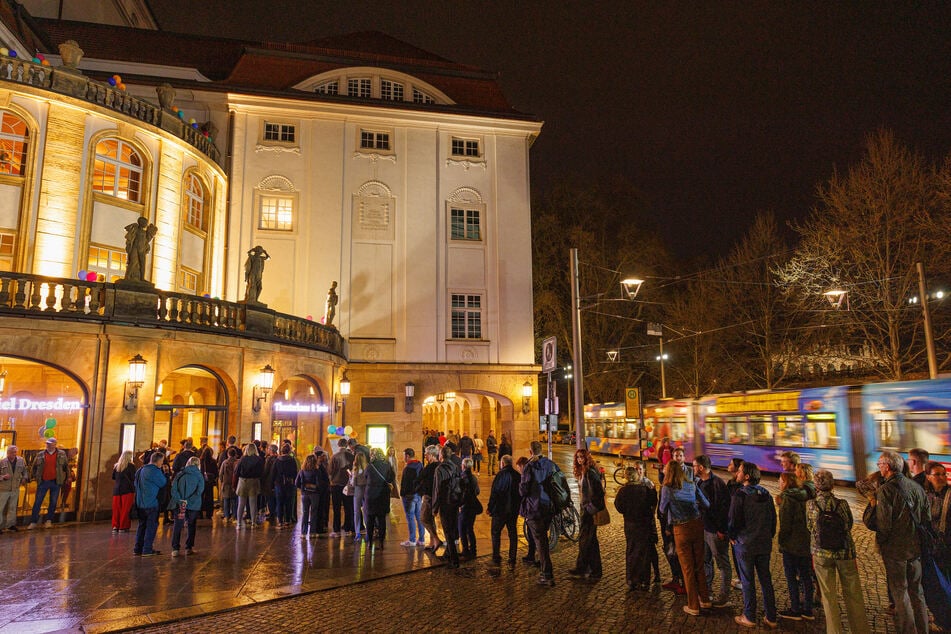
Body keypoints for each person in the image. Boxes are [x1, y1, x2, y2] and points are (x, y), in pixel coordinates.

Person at [863, 450, 929, 634]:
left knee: (900, 592)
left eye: (879, 465)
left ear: (887, 466)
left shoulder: (886, 490)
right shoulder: (916, 487)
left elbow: (884, 524)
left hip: (895, 550)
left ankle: (908, 630)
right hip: (915, 549)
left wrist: (882, 544)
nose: (879, 468)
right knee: (917, 592)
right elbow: (926, 518)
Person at [808, 469, 869, 634]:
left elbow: (810, 528)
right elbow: (848, 525)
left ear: (816, 486)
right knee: (854, 593)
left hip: (821, 555)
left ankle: (834, 631)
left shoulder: (811, 505)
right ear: (832, 485)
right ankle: (861, 630)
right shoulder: (842, 504)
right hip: (845, 553)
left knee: (828, 597)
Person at [660, 451, 710, 616]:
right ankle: (705, 599)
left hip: (681, 528)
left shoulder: (667, 487)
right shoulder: (691, 483)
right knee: (699, 565)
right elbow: (706, 503)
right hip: (696, 525)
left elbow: (662, 509)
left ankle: (693, 605)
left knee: (687, 567)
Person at [729, 461, 778, 628]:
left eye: (740, 471)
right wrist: (768, 536)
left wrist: (732, 536)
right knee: (766, 579)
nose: (738, 473)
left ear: (747, 476)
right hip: (763, 543)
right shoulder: (766, 494)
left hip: (745, 543)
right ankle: (771, 616)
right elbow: (773, 520)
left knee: (747, 580)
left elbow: (734, 520)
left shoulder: (740, 495)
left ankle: (749, 616)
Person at [693, 454, 732, 607]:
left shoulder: (717, 484)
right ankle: (706, 591)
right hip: (704, 528)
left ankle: (723, 596)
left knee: (722, 563)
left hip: (715, 531)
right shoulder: (700, 483)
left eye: (695, 466)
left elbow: (724, 509)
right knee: (705, 561)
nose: (693, 468)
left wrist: (722, 529)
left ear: (701, 468)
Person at [519, 440, 559, 586]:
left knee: (540, 541)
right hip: (547, 507)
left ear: (530, 451)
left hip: (534, 508)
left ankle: (547, 574)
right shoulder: (550, 464)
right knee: (542, 539)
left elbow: (523, 490)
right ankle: (545, 571)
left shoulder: (529, 467)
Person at [776, 471, 814, 621]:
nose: (779, 483)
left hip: (791, 544)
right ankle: (808, 609)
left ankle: (795, 609)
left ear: (785, 483)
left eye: (780, 480)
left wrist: (781, 542)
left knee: (791, 577)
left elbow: (785, 525)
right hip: (805, 541)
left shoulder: (787, 498)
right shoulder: (805, 495)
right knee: (806, 576)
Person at [614, 462, 658, 590]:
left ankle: (632, 579)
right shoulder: (645, 490)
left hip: (631, 524)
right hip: (644, 524)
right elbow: (653, 503)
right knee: (644, 552)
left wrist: (628, 513)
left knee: (632, 550)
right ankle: (645, 580)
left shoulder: (623, 491)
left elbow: (618, 506)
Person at [570, 448, 605, 581]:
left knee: (585, 540)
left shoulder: (590, 473)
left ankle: (583, 568)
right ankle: (593, 570)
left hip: (589, 511)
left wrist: (590, 509)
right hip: (585, 509)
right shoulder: (584, 472)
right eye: (578, 457)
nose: (579, 459)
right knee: (590, 541)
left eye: (582, 457)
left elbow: (598, 493)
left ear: (586, 458)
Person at [28, 437, 69, 529]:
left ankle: (49, 520)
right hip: (43, 481)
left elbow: (66, 467)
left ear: (55, 444)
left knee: (53, 502)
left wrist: (66, 478)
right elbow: (34, 467)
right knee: (38, 502)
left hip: (56, 481)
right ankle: (33, 521)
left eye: (50, 444)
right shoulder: (40, 454)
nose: (48, 445)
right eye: (47, 443)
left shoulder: (61, 454)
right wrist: (35, 477)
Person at [168, 456, 205, 557]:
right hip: (193, 505)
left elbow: (173, 489)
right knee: (191, 524)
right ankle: (188, 548)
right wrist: (189, 501)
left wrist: (181, 500)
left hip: (181, 505)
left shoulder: (180, 474)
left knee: (178, 525)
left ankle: (175, 549)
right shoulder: (199, 475)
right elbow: (199, 491)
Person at [133, 451, 168, 556]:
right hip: (151, 503)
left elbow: (135, 483)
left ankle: (137, 548)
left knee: (142, 525)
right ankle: (147, 549)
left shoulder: (140, 470)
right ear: (158, 461)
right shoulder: (155, 471)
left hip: (140, 502)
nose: (162, 463)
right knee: (151, 526)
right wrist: (165, 473)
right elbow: (163, 483)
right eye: (161, 461)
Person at [488, 454, 521, 565]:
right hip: (513, 509)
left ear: (502, 463)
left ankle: (496, 557)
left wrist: (490, 507)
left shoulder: (500, 475)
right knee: (512, 533)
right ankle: (512, 557)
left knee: (496, 532)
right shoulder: (517, 475)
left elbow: (495, 493)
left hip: (500, 509)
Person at [433, 444, 462, 568]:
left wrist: (435, 507)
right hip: (455, 501)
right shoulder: (455, 467)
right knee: (453, 528)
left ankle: (454, 559)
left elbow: (437, 489)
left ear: (441, 455)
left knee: (447, 530)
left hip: (445, 502)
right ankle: (449, 553)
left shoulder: (439, 469)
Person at [925, 460, 951, 577]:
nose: (941, 477)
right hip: (933, 546)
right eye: (937, 474)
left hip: (947, 545)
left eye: (943, 474)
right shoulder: (926, 495)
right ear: (928, 477)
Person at [365, 448, 394, 549]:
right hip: (383, 494)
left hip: (371, 495)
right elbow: (391, 478)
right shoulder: (387, 465)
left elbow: (365, 477)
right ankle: (381, 542)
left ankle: (369, 542)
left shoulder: (369, 466)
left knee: (370, 520)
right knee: (382, 520)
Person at [417, 445, 442, 552]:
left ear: (431, 455)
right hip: (435, 496)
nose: (425, 456)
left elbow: (420, 479)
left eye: (426, 454)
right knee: (430, 519)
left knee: (423, 518)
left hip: (429, 496)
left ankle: (436, 539)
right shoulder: (440, 466)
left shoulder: (430, 467)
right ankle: (432, 542)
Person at [234, 443, 264, 529]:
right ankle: (253, 523)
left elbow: (236, 471)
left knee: (241, 504)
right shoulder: (258, 459)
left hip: (243, 481)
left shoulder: (243, 459)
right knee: (253, 503)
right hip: (254, 481)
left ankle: (239, 523)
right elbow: (261, 472)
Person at [399, 448, 424, 547]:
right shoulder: (420, 465)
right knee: (419, 517)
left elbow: (406, 484)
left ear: (407, 456)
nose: (403, 458)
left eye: (404, 455)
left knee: (410, 517)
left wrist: (403, 494)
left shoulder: (408, 468)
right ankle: (421, 539)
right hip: (418, 495)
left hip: (409, 496)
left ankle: (412, 540)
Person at [328, 438, 353, 536]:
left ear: (338, 445)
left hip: (336, 485)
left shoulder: (334, 456)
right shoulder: (351, 456)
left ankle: (336, 530)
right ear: (347, 445)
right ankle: (347, 529)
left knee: (336, 508)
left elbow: (330, 471)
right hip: (348, 484)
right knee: (348, 507)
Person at [458, 456, 481, 560]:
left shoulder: (462, 477)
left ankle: (465, 551)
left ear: (463, 466)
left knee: (462, 529)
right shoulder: (474, 478)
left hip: (464, 506)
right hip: (472, 506)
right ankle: (473, 550)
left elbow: (460, 493)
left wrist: (459, 504)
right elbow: (477, 491)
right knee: (470, 529)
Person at [0, 445, 27, 532]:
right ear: (8, 453)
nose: (14, 454)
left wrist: (24, 478)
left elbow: (25, 471)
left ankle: (10, 525)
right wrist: (3, 476)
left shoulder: (21, 461)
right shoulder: (2, 462)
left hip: (15, 488)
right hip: (4, 488)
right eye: (12, 452)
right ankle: (0, 525)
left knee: (12, 507)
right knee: (1, 508)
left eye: (15, 452)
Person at [272, 444, 299, 529]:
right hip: (289, 483)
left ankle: (280, 521)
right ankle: (287, 520)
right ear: (289, 451)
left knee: (279, 502)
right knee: (288, 502)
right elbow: (295, 472)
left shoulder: (277, 460)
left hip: (279, 483)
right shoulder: (292, 460)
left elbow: (273, 472)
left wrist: (272, 484)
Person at [123, 215, 157, 282]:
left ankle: (142, 278)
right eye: (145, 223)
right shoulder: (136, 229)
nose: (146, 224)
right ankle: (127, 277)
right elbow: (126, 228)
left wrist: (151, 232)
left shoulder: (145, 232)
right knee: (132, 262)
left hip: (141, 250)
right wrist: (133, 225)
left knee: (142, 264)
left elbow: (147, 240)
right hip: (135, 248)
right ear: (141, 223)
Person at [111, 450, 137, 533]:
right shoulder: (131, 466)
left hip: (117, 490)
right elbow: (133, 478)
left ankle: (115, 526)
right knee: (125, 509)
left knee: (116, 509)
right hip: (128, 490)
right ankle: (123, 526)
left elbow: (113, 477)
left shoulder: (116, 466)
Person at [296, 454, 320, 538]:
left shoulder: (302, 471)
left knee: (305, 513)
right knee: (313, 513)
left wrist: (302, 488)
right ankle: (312, 532)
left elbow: (297, 483)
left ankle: (303, 532)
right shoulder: (317, 471)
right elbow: (319, 483)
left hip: (305, 494)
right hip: (315, 494)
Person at [197, 438, 217, 520]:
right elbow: (216, 472)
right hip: (209, 481)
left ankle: (199, 513)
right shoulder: (213, 461)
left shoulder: (200, 461)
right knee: (209, 496)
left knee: (200, 496)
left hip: (201, 480)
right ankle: (209, 513)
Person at [218, 447, 239, 523]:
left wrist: (221, 481)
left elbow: (220, 474)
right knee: (234, 501)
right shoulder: (237, 462)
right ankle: (234, 516)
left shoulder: (225, 462)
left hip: (226, 483)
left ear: (228, 454)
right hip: (235, 484)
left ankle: (226, 517)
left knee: (226, 500)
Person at [351, 451, 368, 542]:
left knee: (356, 512)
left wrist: (351, 477)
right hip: (366, 491)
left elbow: (353, 483)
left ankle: (357, 532)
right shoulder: (367, 468)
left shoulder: (355, 470)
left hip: (358, 491)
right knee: (366, 511)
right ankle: (368, 531)